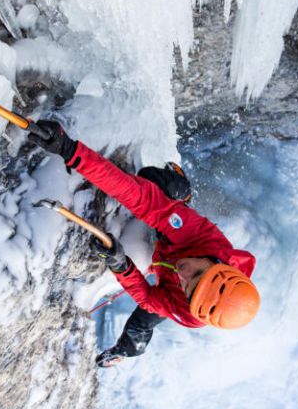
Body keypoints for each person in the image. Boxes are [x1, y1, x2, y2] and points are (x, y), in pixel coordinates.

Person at [29, 120, 260, 367]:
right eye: (200, 272)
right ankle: (181, 195)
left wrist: (120, 266)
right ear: (216, 262)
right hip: (173, 241)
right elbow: (143, 200)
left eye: (189, 288)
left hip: (164, 271)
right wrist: (71, 151)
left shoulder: (189, 311)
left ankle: (126, 351)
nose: (184, 274)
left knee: (141, 324)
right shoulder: (204, 238)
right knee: (157, 183)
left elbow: (149, 299)